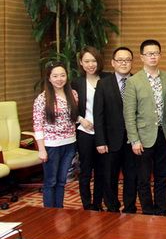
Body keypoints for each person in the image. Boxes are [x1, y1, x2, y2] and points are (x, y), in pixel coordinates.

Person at [123, 39, 166, 216]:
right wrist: (134, 140)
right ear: (142, 57)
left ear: (160, 55)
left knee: (162, 176)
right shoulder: (133, 81)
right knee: (143, 177)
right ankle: (147, 209)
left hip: (164, 134)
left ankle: (161, 209)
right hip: (143, 137)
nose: (153, 57)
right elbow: (129, 114)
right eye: (149, 54)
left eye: (156, 53)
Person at [94, 46, 138, 213]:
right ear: (113, 63)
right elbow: (98, 114)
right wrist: (100, 140)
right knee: (109, 176)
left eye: (127, 60)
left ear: (132, 62)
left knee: (132, 176)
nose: (124, 63)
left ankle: (130, 206)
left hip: (133, 140)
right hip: (111, 140)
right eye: (120, 60)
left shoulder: (138, 82)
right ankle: (112, 206)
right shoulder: (103, 84)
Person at [33, 62, 79, 208]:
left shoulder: (73, 94)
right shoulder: (42, 98)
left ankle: (59, 210)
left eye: (62, 75)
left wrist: (82, 120)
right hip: (51, 146)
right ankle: (49, 213)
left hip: (70, 143)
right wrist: (41, 149)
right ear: (49, 78)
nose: (59, 79)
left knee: (62, 181)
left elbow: (71, 117)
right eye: (55, 76)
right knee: (50, 182)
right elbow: (38, 125)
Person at [71, 46, 109, 211]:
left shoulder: (107, 78)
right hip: (85, 131)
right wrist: (81, 120)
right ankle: (87, 204)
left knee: (102, 170)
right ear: (81, 62)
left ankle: (98, 202)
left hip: (104, 132)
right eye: (86, 61)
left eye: (93, 61)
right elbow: (69, 107)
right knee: (86, 170)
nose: (90, 65)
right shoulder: (76, 82)